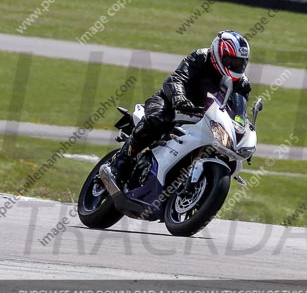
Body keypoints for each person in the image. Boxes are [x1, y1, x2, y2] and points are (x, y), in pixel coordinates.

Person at [107, 30, 252, 186]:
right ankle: (121, 161)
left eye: (240, 63)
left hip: (205, 118)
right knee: (157, 119)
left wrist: (240, 138)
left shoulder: (242, 84)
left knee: (220, 150)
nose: (236, 66)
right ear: (218, 53)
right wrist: (180, 99)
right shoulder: (201, 57)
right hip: (171, 102)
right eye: (231, 61)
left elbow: (238, 113)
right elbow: (177, 79)